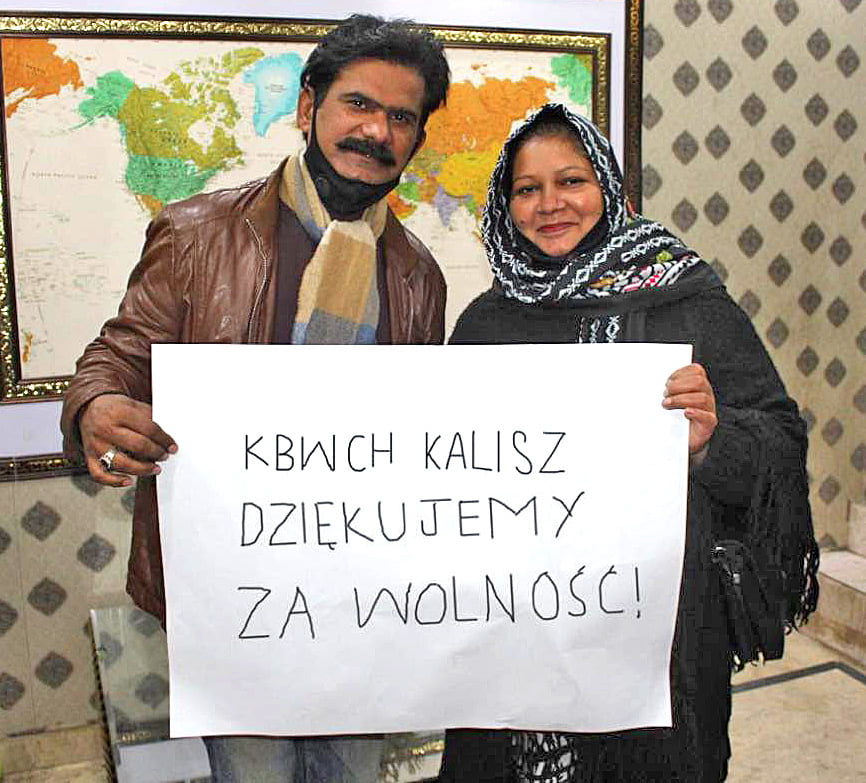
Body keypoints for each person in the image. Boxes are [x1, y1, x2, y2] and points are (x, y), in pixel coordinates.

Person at [60, 14, 450, 782]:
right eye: (358, 104)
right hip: (230, 598)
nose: (377, 131)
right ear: (308, 107)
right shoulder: (196, 234)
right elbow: (116, 357)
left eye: (401, 117)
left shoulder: (417, 276)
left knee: (351, 773)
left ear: (416, 138)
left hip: (360, 600)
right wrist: (95, 408)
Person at [438, 104, 819, 782]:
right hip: (508, 629)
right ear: (506, 204)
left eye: (572, 181)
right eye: (527, 189)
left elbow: (780, 440)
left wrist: (709, 443)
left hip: (662, 639)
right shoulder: (485, 322)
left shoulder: (686, 299)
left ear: (610, 189)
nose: (550, 204)